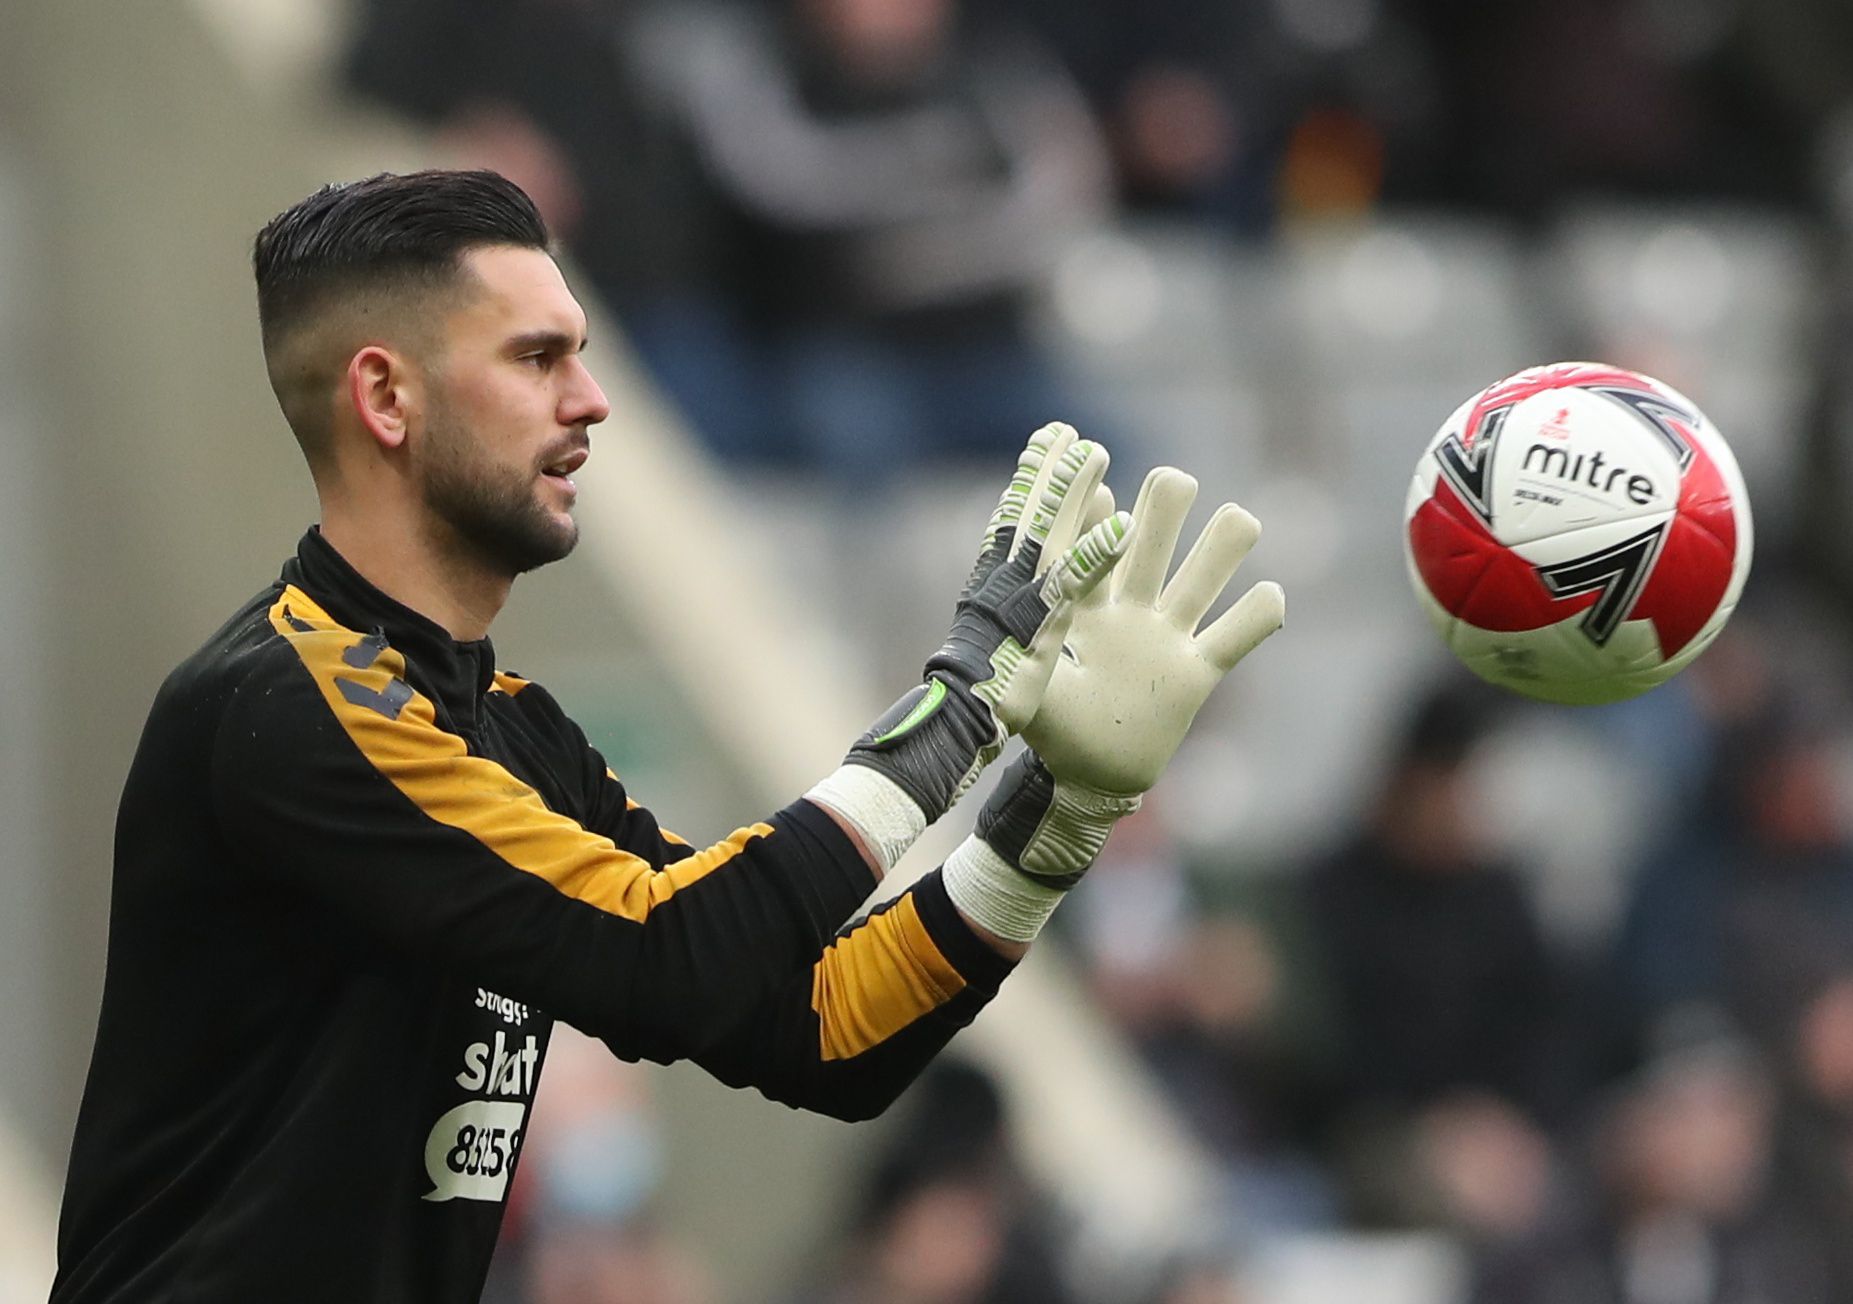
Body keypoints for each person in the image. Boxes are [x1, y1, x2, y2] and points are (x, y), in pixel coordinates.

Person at [50, 170, 1283, 1303]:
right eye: (536, 357)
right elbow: (671, 956)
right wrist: (959, 700)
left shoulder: (510, 729)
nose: (589, 401)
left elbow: (815, 1028)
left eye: (580, 356)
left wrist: (1052, 819)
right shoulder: (290, 705)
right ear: (385, 396)